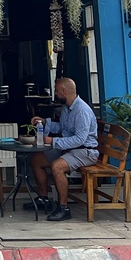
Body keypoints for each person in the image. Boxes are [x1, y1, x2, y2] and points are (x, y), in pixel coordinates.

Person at [25, 76, 99, 222]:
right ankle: (44, 199)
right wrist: (45, 122)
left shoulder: (82, 111)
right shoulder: (66, 108)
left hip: (85, 151)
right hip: (70, 148)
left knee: (57, 167)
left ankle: (63, 207)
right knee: (36, 160)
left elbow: (80, 139)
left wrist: (53, 141)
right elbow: (62, 128)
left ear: (64, 91)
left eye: (57, 91)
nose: (55, 94)